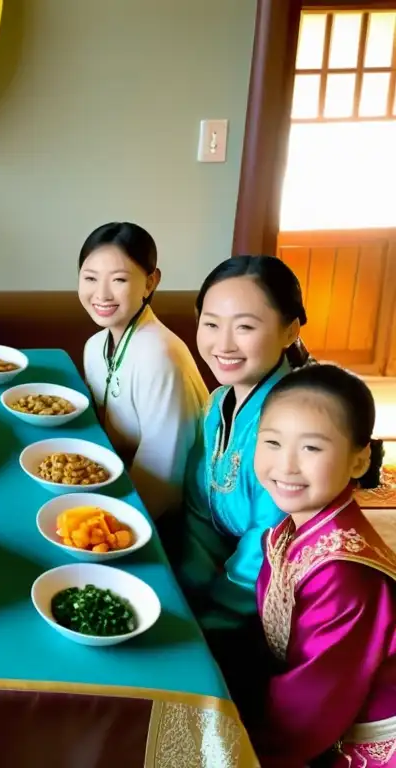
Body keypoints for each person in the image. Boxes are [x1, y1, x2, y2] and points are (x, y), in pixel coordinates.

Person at [175, 255, 311, 713]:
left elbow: (269, 539)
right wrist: (188, 586)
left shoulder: (294, 421)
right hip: (219, 590)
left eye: (245, 327)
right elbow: (198, 508)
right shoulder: (217, 403)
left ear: (291, 330)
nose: (223, 344)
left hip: (269, 608)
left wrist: (211, 615)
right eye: (211, 325)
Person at [253, 364, 395, 767]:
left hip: (355, 738)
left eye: (311, 448)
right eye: (273, 442)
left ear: (358, 459)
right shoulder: (291, 531)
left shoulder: (343, 573)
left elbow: (311, 707)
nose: (286, 466)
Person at [78, 222, 208, 520]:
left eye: (119, 280)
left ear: (150, 283)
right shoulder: (95, 346)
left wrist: (108, 523)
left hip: (173, 516)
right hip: (122, 488)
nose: (102, 294)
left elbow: (163, 477)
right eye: (90, 278)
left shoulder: (161, 356)